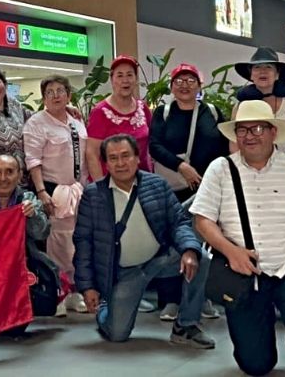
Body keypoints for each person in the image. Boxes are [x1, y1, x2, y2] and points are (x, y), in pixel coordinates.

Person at [191, 100, 285, 377]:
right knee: (256, 366)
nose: (249, 135)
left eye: (257, 128)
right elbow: (202, 220)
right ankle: (258, 325)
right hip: (243, 271)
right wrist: (231, 251)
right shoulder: (220, 169)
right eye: (242, 130)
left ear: (273, 133)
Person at [73, 134, 214, 348]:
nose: (121, 163)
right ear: (106, 164)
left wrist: (188, 249)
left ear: (138, 157)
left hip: (159, 259)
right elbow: (83, 243)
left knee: (200, 257)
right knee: (117, 334)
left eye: (126, 156)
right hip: (123, 273)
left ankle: (186, 325)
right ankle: (106, 307)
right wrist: (88, 287)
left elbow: (178, 222)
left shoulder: (157, 184)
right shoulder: (93, 195)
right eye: (113, 158)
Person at [148, 63, 227, 322]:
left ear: (199, 86)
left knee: (203, 243)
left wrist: (212, 178)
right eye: (179, 80)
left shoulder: (213, 112)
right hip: (172, 188)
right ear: (171, 86)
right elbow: (155, 146)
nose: (184, 84)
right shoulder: (164, 112)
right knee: (170, 244)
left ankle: (200, 297)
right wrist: (182, 167)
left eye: (190, 80)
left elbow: (226, 148)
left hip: (207, 190)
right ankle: (170, 299)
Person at [23, 74, 87, 314]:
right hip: (52, 190)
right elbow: (33, 160)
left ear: (69, 95)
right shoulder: (37, 123)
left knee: (77, 242)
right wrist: (41, 191)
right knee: (57, 243)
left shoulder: (76, 120)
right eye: (50, 92)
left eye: (61, 90)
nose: (56, 95)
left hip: (78, 189)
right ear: (43, 97)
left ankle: (76, 291)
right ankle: (58, 292)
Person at [230, 47, 285, 160]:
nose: (263, 71)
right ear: (251, 75)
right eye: (257, 67)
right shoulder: (240, 106)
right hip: (251, 173)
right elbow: (234, 145)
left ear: (277, 74)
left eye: (269, 67)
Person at [86, 56, 153, 181]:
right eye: (120, 75)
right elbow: (92, 154)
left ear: (135, 79)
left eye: (129, 75)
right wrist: (101, 189)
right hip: (112, 183)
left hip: (143, 180)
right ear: (112, 80)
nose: (125, 80)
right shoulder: (100, 112)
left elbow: (151, 144)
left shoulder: (143, 108)